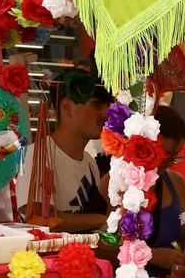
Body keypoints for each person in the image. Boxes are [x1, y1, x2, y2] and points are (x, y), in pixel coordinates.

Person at [15, 67, 113, 232]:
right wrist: (99, 220)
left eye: (107, 105)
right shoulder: (36, 154)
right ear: (67, 107)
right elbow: (38, 218)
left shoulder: (90, 162)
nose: (106, 113)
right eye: (96, 105)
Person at [140, 105, 185, 278]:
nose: (170, 162)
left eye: (176, 156)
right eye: (166, 154)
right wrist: (152, 256)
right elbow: (105, 246)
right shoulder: (117, 183)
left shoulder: (176, 182)